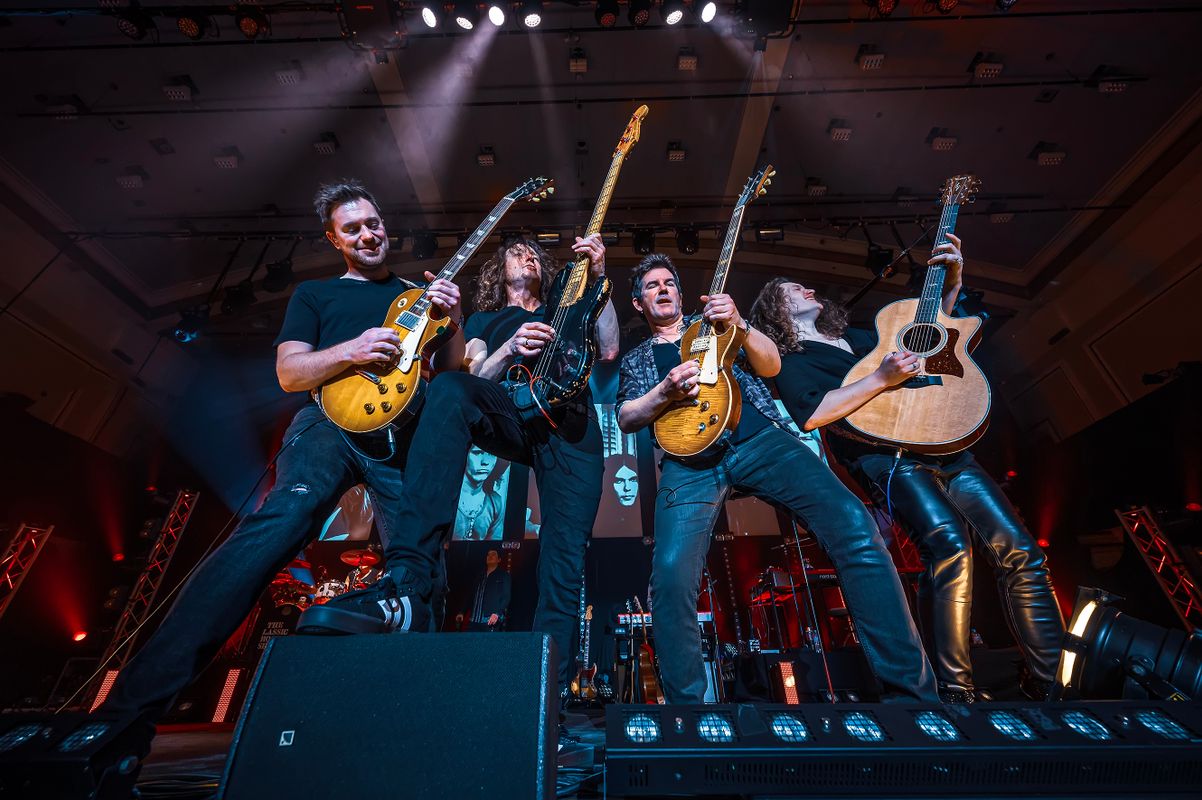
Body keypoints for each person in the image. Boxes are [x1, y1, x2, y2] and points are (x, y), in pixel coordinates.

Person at [98, 180, 463, 746]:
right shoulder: (315, 296)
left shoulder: (420, 294)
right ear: (334, 239)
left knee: (421, 571)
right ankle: (123, 720)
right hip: (328, 425)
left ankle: (411, 731)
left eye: (373, 223)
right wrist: (353, 350)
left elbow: (456, 372)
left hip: (400, 436)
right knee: (275, 528)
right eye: (352, 229)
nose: (368, 234)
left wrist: (456, 319)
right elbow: (290, 374)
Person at [301, 234, 619, 703]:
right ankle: (407, 581)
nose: (528, 256)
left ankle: (544, 700)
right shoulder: (487, 320)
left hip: (573, 431)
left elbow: (609, 348)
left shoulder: (565, 306)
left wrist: (598, 275)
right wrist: (509, 348)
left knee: (563, 564)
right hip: (511, 411)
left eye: (535, 253)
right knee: (449, 389)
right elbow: (475, 377)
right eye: (517, 251)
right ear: (499, 268)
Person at [749, 233, 1065, 702]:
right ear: (774, 312)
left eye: (804, 285)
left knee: (1022, 551)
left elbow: (934, 329)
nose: (807, 289)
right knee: (951, 548)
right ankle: (956, 690)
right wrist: (881, 378)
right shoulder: (793, 360)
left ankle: (1051, 683)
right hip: (887, 461)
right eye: (792, 290)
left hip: (945, 447)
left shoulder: (858, 338)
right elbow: (814, 413)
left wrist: (953, 277)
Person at [615, 253, 938, 703]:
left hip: (760, 440)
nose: (663, 289)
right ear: (638, 303)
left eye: (669, 282)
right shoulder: (637, 360)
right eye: (652, 286)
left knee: (854, 526)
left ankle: (913, 698)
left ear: (681, 293)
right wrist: (663, 391)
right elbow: (628, 416)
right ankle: (689, 717)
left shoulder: (715, 322)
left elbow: (770, 367)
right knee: (670, 577)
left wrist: (742, 324)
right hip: (688, 464)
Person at [453, 445, 507, 540]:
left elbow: (494, 547)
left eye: (491, 454)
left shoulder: (495, 503)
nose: (485, 462)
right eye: (477, 453)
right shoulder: (446, 495)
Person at [456, 549, 511, 631]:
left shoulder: (504, 575)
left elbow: (506, 596)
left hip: (490, 621)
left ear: (499, 559)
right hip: (473, 620)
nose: (490, 556)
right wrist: (462, 612)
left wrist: (497, 613)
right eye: (488, 555)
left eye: (493, 554)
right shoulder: (479, 576)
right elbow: (470, 596)